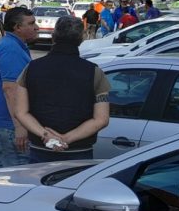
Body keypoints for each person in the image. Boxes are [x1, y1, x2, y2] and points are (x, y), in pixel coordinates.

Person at [15, 16, 111, 162]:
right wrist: (66, 138)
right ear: (81, 38)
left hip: (40, 148)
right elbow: (101, 119)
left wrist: (47, 136)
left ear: (54, 36)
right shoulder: (94, 72)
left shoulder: (31, 69)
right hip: (79, 152)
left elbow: (21, 112)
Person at [0, 7, 38, 168]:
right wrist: (20, 126)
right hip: (7, 125)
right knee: (16, 176)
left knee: (7, 174)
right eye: (31, 23)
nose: (36, 27)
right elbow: (11, 90)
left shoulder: (14, 45)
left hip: (5, 123)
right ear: (17, 27)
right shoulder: (11, 49)